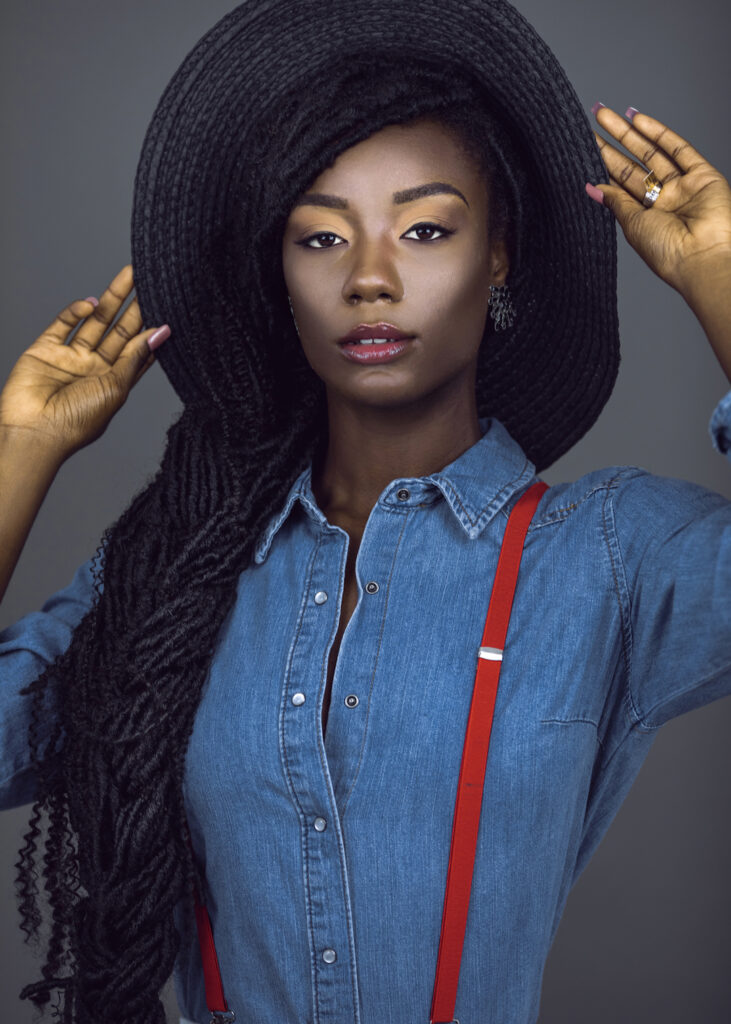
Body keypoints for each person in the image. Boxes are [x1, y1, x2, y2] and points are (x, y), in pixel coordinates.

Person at [1, 1, 729, 1022]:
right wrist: (22, 448)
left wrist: (718, 271)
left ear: (498, 255)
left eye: (426, 229)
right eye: (320, 237)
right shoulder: (175, 577)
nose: (370, 278)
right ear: (280, 272)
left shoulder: (605, 557)